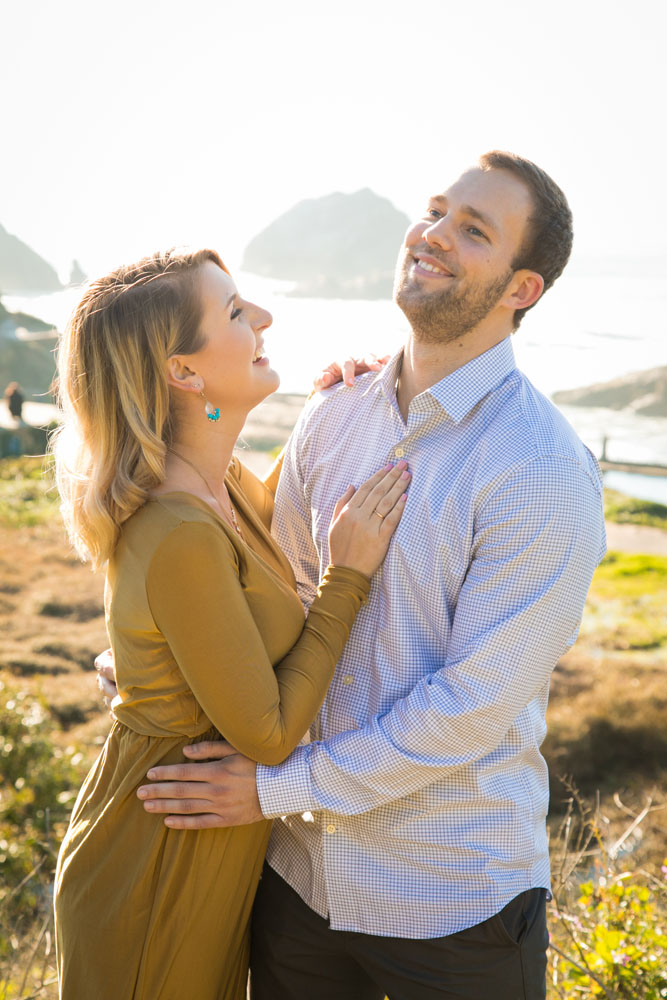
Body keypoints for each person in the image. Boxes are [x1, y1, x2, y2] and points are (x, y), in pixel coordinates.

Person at [137, 152, 607, 999]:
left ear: (520, 289)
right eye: (434, 211)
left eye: (472, 231)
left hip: (452, 902)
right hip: (297, 884)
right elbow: (272, 600)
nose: (431, 236)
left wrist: (277, 789)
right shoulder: (332, 412)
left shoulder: (539, 469)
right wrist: (153, 665)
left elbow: (467, 709)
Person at [52, 248, 410, 1000]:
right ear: (184, 373)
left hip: (204, 847)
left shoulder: (225, 485)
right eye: (237, 312)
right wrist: (348, 576)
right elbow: (269, 734)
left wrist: (333, 410)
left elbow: (252, 562)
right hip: (155, 866)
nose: (265, 320)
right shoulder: (179, 525)